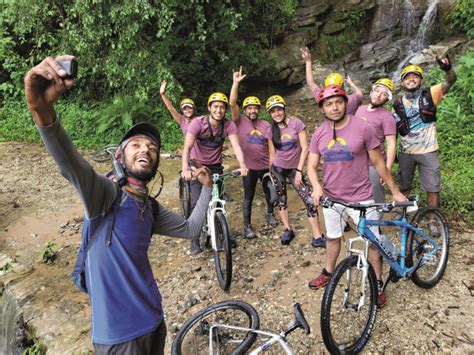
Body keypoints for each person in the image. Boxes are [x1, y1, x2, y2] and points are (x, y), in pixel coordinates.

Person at [24, 55, 213, 354]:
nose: (146, 150)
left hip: (154, 321)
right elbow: (71, 164)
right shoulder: (104, 194)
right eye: (136, 145)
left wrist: (207, 188)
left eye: (152, 148)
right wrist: (41, 109)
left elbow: (191, 230)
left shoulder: (149, 208)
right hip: (117, 337)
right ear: (120, 157)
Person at [307, 85, 407, 307]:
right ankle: (328, 272)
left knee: (373, 242)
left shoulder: (363, 128)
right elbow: (311, 166)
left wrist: (395, 191)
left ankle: (378, 283)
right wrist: (316, 186)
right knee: (333, 238)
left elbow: (379, 163)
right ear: (322, 108)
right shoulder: (320, 132)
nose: (334, 107)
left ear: (346, 103)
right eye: (328, 104)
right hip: (332, 199)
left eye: (338, 102)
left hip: (362, 197)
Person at [394, 57, 456, 236]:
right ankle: (403, 214)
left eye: (415, 76)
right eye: (407, 77)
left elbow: (450, 80)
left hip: (428, 150)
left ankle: (432, 219)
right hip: (406, 151)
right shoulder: (397, 103)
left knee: (432, 187)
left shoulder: (431, 94)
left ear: (421, 80)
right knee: (404, 185)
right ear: (402, 82)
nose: (411, 79)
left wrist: (447, 69)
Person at [181, 91, 249, 254]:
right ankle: (194, 238)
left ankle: (220, 233)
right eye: (216, 106)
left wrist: (242, 165)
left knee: (217, 200)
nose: (219, 110)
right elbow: (187, 147)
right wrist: (185, 168)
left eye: (222, 107)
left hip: (215, 167)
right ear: (209, 108)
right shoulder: (198, 123)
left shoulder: (228, 125)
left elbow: (237, 147)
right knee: (196, 202)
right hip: (197, 166)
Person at [265, 94, 324, 246]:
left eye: (279, 110)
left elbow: (305, 148)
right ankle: (287, 229)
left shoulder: (296, 123)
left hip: (294, 169)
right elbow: (272, 154)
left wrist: (298, 171)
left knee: (310, 200)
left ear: (284, 109)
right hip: (277, 169)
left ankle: (317, 236)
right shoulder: (271, 130)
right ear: (270, 114)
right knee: (281, 199)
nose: (276, 113)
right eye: (273, 111)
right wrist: (270, 172)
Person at [229, 67, 279, 238]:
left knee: (269, 193)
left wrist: (272, 168)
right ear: (244, 110)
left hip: (265, 166)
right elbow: (232, 103)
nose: (252, 110)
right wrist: (235, 83)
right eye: (249, 108)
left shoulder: (266, 125)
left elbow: (271, 147)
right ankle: (247, 226)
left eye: (255, 108)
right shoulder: (238, 121)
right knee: (248, 197)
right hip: (248, 168)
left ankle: (270, 213)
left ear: (259, 110)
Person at [355, 78, 397, 205]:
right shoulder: (360, 109)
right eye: (377, 91)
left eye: (383, 94)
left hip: (374, 163)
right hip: (356, 161)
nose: (379, 95)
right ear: (372, 91)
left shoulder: (387, 117)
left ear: (387, 99)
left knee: (376, 193)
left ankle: (377, 222)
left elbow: (391, 143)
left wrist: (387, 168)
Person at [300, 46, 363, 114]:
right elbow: (360, 94)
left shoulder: (322, 97)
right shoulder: (352, 100)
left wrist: (308, 61)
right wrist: (351, 83)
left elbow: (310, 83)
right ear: (342, 85)